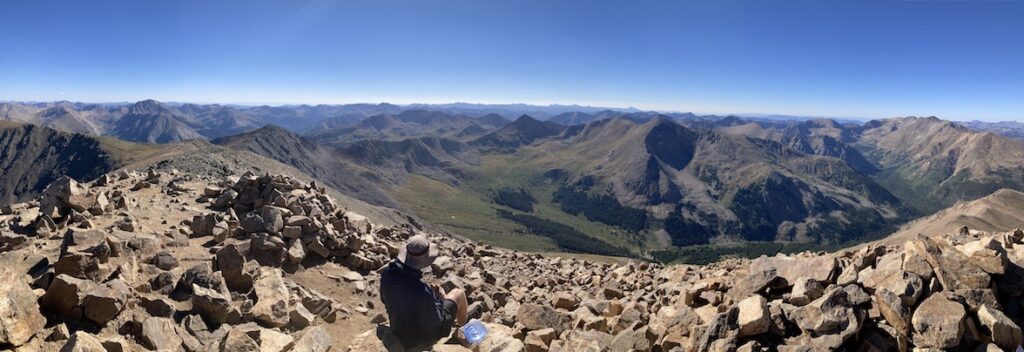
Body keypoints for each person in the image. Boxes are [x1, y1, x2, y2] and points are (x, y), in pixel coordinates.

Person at [380, 234, 468, 349]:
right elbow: (435, 321)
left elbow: (384, 299)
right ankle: (462, 325)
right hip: (421, 339)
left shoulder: (388, 274)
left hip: (397, 328)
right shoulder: (422, 292)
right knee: (458, 294)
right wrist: (440, 299)